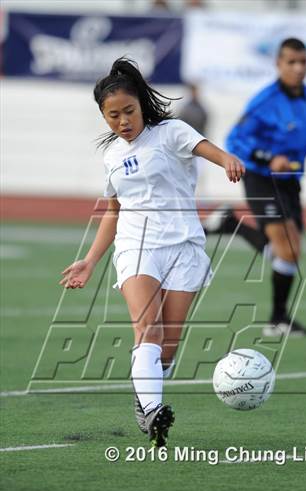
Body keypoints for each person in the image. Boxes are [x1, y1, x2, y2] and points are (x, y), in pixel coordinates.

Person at [59, 58, 244, 447]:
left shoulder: (171, 132)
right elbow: (114, 211)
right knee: (149, 329)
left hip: (184, 244)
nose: (122, 121)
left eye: (128, 111)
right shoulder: (112, 158)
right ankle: (153, 412)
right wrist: (90, 261)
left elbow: (206, 148)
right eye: (113, 116)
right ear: (103, 116)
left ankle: (146, 394)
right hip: (136, 245)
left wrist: (226, 159)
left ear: (141, 104)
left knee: (166, 349)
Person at [207, 37, 306, 337]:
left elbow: (304, 134)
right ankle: (278, 319)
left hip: (290, 181)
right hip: (261, 177)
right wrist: (268, 158)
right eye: (291, 62)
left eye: (303, 61)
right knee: (288, 248)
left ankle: (231, 224)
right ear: (278, 64)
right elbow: (235, 140)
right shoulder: (265, 101)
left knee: (289, 252)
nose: (299, 68)